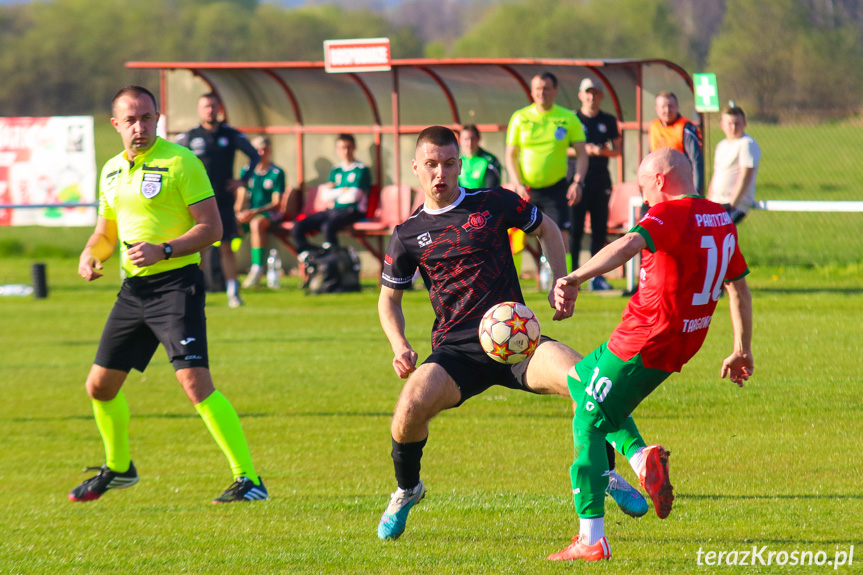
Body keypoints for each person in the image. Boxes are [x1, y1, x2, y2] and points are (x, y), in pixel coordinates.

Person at [375, 126, 645, 542]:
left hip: (518, 339)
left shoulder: (493, 201)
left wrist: (562, 280)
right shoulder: (408, 234)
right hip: (456, 351)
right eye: (431, 165)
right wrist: (400, 345)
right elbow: (388, 300)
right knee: (409, 407)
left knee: (588, 384)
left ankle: (605, 471)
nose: (440, 173)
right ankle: (408, 489)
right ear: (416, 168)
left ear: (460, 164)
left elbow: (548, 229)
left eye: (448, 163)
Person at [547, 148, 754, 561]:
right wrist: (741, 348)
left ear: (659, 180)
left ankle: (592, 540)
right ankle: (641, 459)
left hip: (644, 338)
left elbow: (627, 245)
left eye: (644, 188)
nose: (643, 199)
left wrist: (574, 276)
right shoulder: (721, 218)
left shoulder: (672, 214)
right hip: (682, 340)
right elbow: (738, 288)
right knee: (579, 379)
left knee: (587, 417)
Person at [70, 86, 268, 504]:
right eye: (131, 120)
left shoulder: (182, 162)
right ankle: (120, 468)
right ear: (116, 125)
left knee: (196, 385)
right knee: (99, 387)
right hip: (133, 291)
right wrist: (91, 253)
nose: (140, 126)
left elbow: (212, 228)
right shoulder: (110, 170)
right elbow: (106, 233)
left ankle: (249, 479)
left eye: (147, 117)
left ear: (157, 118)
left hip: (177, 285)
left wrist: (165, 249)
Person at [176, 92, 260, 308]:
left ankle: (233, 292)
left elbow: (255, 155)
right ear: (199, 109)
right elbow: (174, 161)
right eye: (205, 106)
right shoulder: (190, 136)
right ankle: (199, 290)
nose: (209, 110)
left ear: (219, 108)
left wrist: (242, 180)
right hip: (197, 201)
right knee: (199, 248)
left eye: (213, 106)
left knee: (225, 246)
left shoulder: (230, 134)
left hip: (222, 201)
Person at [506, 72, 588, 250]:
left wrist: (578, 182)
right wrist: (517, 184)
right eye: (538, 89)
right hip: (526, 189)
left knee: (560, 237)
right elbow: (510, 155)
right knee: (517, 239)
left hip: (556, 189)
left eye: (546, 88)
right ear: (531, 92)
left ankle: (561, 278)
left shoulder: (568, 117)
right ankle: (521, 277)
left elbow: (582, 153)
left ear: (555, 91)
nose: (542, 93)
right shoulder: (520, 117)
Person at [569, 78, 622, 291]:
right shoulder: (572, 118)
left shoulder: (608, 120)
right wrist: (584, 151)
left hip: (601, 181)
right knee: (575, 229)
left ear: (601, 96)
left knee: (599, 229)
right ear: (581, 95)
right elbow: (562, 148)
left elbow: (617, 150)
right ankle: (571, 274)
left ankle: (596, 277)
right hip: (577, 181)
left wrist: (600, 151)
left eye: (595, 93)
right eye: (587, 93)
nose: (591, 97)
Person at [293, 133, 371, 257]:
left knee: (328, 226)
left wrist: (335, 192)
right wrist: (343, 190)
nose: (345, 151)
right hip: (334, 210)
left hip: (353, 210)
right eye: (342, 148)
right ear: (337, 150)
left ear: (354, 148)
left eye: (348, 147)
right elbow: (325, 196)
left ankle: (334, 261)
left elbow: (353, 197)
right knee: (298, 226)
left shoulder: (361, 169)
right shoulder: (336, 170)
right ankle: (310, 254)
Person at [236, 136, 285, 288]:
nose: (261, 153)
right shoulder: (246, 170)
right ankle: (221, 269)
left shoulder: (277, 172)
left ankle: (257, 268)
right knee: (229, 224)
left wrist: (255, 211)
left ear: (269, 151)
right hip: (250, 212)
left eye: (264, 149)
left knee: (256, 224)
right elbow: (241, 195)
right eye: (257, 150)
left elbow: (277, 202)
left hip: (268, 213)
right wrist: (239, 212)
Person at [708, 105, 761, 224]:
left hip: (735, 204)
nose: (733, 128)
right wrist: (709, 201)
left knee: (721, 235)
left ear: (745, 123)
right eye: (729, 124)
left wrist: (732, 203)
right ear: (722, 125)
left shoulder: (747, 144)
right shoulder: (721, 145)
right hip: (717, 202)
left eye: (737, 123)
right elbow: (716, 175)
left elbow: (746, 175)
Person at [649, 91, 704, 195]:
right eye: (663, 107)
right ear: (657, 109)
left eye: (670, 106)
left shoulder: (685, 127)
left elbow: (696, 160)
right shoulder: (653, 127)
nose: (667, 110)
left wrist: (696, 191)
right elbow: (649, 159)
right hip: (658, 186)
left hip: (680, 186)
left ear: (677, 107)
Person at [458, 124, 501, 189]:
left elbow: (492, 190)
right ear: (460, 140)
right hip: (462, 198)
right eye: (466, 139)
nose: (469, 143)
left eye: (472, 139)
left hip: (483, 198)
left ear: (478, 139)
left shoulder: (489, 160)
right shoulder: (457, 161)